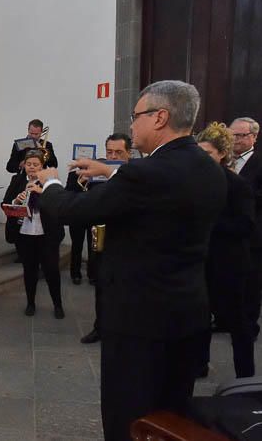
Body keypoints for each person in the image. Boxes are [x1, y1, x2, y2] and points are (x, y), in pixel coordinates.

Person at [36, 80, 226, 441]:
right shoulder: (208, 168)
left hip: (139, 321)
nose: (132, 123)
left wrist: (51, 183)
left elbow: (74, 210)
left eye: (136, 115)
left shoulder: (145, 174)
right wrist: (109, 170)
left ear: (160, 117)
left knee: (129, 417)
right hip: (187, 315)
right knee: (170, 418)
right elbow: (161, 188)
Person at [196, 122, 255, 378]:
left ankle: (246, 376)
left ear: (221, 154)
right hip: (201, 260)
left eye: (207, 154)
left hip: (229, 263)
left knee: (238, 324)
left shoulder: (237, 185)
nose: (202, 160)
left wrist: (208, 219)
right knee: (199, 319)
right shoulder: (193, 181)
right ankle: (199, 365)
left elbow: (245, 224)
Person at [79, 133, 132, 345]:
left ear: (129, 153)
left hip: (126, 240)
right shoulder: (96, 168)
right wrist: (81, 181)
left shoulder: (134, 173)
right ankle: (100, 327)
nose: (113, 156)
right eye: (109, 152)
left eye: (118, 152)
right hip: (99, 234)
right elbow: (78, 197)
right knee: (101, 284)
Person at [3, 151, 65, 318]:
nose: (31, 167)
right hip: (25, 234)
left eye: (35, 164)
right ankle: (30, 303)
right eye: (29, 164)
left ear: (42, 166)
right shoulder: (17, 180)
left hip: (46, 234)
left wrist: (40, 192)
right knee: (29, 270)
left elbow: (59, 205)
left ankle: (57, 304)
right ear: (24, 165)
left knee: (51, 270)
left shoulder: (49, 182)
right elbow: (6, 203)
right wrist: (16, 201)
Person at [228, 117, 262, 338]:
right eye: (233, 135)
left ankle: (249, 325)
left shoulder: (258, 162)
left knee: (250, 282)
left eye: (242, 135)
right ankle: (226, 319)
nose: (237, 140)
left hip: (253, 233)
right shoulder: (223, 159)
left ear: (254, 137)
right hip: (227, 231)